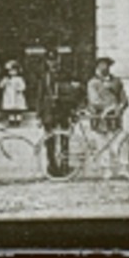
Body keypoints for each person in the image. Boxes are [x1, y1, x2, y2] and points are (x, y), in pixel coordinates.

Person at [34, 47, 79, 177]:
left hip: (63, 110)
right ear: (47, 61)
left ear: (59, 60)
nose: (52, 63)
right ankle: (52, 167)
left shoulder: (65, 74)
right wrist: (38, 114)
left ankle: (65, 166)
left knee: (65, 138)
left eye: (54, 60)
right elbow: (39, 95)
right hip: (48, 112)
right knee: (50, 141)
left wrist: (73, 109)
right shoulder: (43, 76)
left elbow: (72, 92)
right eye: (50, 60)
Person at [86, 56, 129, 174]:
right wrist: (107, 108)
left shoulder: (116, 81)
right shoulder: (93, 83)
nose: (104, 67)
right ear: (97, 66)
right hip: (100, 118)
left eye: (106, 65)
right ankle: (106, 170)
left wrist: (120, 107)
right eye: (101, 65)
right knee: (102, 144)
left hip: (115, 118)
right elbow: (94, 101)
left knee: (120, 142)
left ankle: (123, 168)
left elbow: (124, 99)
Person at [0, 59, 27, 126]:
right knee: (10, 109)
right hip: (9, 95)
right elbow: (0, 86)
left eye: (14, 71)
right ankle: (11, 120)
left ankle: (17, 120)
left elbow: (23, 87)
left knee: (17, 109)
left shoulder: (19, 79)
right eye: (10, 71)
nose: (12, 72)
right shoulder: (6, 79)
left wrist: (19, 88)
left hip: (17, 95)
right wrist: (4, 82)